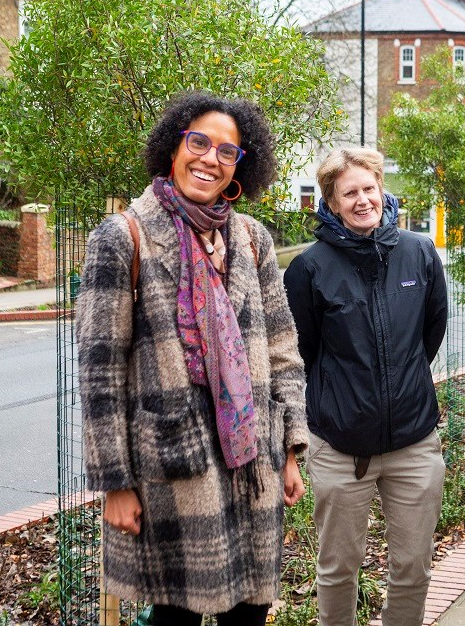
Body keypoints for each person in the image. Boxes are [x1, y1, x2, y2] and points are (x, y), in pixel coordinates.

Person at [77, 92, 309, 626]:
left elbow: (282, 348)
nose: (210, 158)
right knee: (175, 617)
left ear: (239, 168)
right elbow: (99, 372)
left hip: (253, 464)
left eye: (227, 151)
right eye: (198, 142)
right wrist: (114, 482)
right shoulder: (124, 237)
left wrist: (291, 447)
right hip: (173, 467)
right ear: (173, 147)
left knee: (250, 611)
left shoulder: (252, 239)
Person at [283, 147, 448, 626]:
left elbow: (429, 332)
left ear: (382, 190)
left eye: (369, 188)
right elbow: (301, 354)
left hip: (414, 444)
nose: (362, 200)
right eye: (349, 192)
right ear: (331, 203)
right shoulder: (309, 269)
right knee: (338, 569)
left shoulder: (418, 253)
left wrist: (398, 385)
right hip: (339, 448)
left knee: (412, 567)